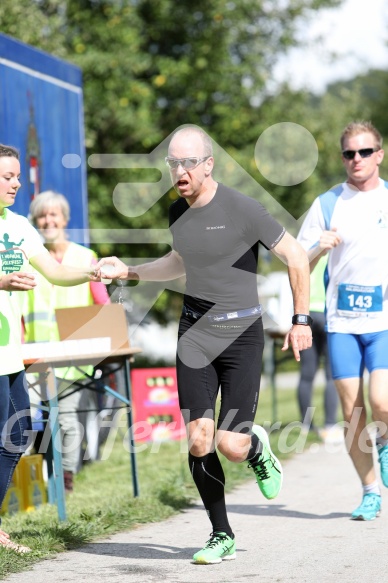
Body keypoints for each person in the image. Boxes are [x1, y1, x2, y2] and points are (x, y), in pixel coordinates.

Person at [96, 126, 312, 564]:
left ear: (208, 165)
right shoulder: (177, 213)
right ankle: (221, 533)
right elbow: (179, 260)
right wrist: (130, 271)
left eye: (187, 163)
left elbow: (296, 256)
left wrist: (300, 319)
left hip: (241, 334)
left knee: (231, 445)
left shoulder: (243, 208)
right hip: (195, 334)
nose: (179, 171)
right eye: (173, 163)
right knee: (198, 440)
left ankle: (255, 448)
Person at [0, 144, 98, 552]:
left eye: (18, 175)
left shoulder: (19, 225)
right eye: (8, 176)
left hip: (9, 355)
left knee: (19, 434)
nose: (17, 182)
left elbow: (55, 271)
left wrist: (96, 269)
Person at [297, 120, 388, 521]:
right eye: (349, 153)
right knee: (352, 413)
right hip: (341, 323)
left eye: (364, 152)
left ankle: (384, 444)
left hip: (383, 320)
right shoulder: (327, 204)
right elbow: (297, 260)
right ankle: (370, 492)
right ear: (342, 158)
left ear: (379, 155)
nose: (356, 159)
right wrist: (319, 246)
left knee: (381, 400)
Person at [23, 191, 110, 493]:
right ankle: (22, 486)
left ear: (65, 219)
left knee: (68, 421)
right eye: (42, 216)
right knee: (24, 419)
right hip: (35, 356)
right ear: (35, 222)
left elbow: (103, 305)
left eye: (53, 214)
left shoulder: (85, 258)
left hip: (75, 357)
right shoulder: (30, 259)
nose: (48, 220)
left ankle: (66, 481)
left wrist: (110, 342)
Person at [295, 254, 339, 439]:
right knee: (331, 374)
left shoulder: (305, 251)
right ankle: (330, 424)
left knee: (307, 374)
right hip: (329, 312)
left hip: (307, 314)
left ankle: (307, 425)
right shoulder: (334, 251)